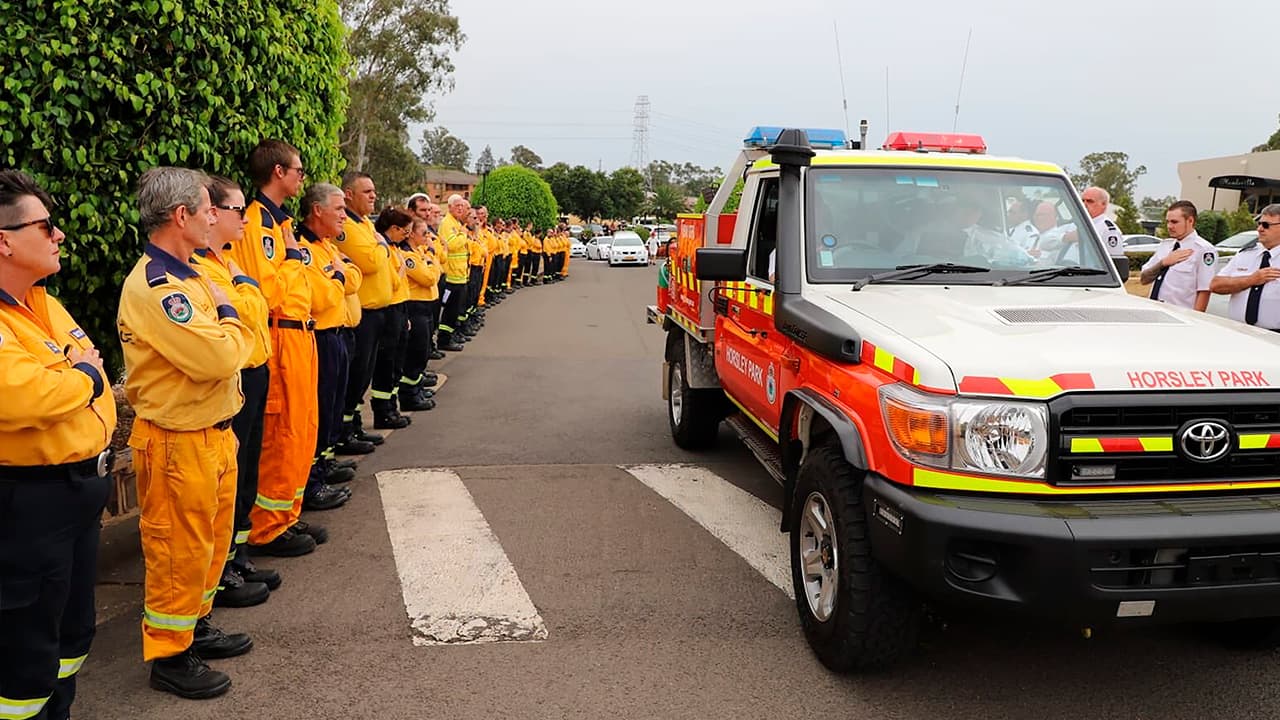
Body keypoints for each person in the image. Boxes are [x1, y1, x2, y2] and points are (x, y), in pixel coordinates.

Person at [118, 166, 255, 698]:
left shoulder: (191, 273)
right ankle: (169, 659)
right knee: (178, 552)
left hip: (211, 433)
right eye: (207, 209)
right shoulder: (157, 287)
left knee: (208, 547)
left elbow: (233, 332)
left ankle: (192, 630)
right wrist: (230, 318)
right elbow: (220, 354)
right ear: (182, 216)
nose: (214, 217)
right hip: (178, 440)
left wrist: (228, 320)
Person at [0, 170, 117, 720]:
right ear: (5, 240)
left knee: (71, 637)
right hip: (29, 504)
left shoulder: (41, 303)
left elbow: (85, 360)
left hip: (76, 497)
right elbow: (28, 396)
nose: (60, 236)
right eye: (45, 226)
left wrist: (81, 376)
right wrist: (86, 379)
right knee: (26, 655)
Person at [231, 141, 323, 558]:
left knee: (302, 428)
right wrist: (290, 258)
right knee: (281, 432)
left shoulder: (279, 222)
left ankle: (287, 512)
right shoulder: (256, 223)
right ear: (278, 172)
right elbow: (266, 290)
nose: (302, 177)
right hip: (281, 334)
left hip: (301, 333)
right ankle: (268, 526)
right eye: (298, 170)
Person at [190, 176, 277, 608]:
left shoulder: (226, 263)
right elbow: (245, 308)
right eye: (235, 210)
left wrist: (245, 290)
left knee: (248, 468)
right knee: (233, 473)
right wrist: (246, 290)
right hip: (236, 374)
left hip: (255, 367)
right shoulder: (202, 268)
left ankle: (237, 553)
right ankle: (222, 567)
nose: (243, 218)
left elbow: (254, 306)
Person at [297, 183, 358, 513]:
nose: (343, 216)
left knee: (332, 407)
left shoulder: (326, 246)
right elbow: (320, 298)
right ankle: (311, 481)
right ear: (317, 210)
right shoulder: (304, 248)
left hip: (337, 334)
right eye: (338, 209)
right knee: (318, 412)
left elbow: (355, 279)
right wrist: (338, 278)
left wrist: (339, 276)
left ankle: (323, 465)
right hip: (319, 336)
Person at [337, 172, 395, 447]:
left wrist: (379, 244)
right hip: (363, 314)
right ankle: (344, 432)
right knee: (355, 375)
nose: (374, 196)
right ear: (349, 194)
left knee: (364, 376)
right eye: (367, 191)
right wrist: (382, 245)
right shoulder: (347, 226)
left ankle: (354, 425)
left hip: (378, 311)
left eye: (374, 191)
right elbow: (371, 261)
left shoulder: (365, 225)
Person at [370, 207, 417, 425]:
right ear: (394, 228)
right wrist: (400, 273)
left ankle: (391, 406)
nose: (406, 235)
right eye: (405, 231)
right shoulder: (386, 249)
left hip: (400, 307)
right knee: (386, 363)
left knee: (397, 362)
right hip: (390, 309)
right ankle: (382, 410)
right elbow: (394, 281)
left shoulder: (394, 248)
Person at [1210, 204, 1280, 327]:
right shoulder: (1246, 255)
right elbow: (1216, 285)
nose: (1260, 229)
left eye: (1266, 225)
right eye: (1259, 224)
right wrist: (1250, 280)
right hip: (1238, 330)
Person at [398, 216, 442, 409]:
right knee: (415, 353)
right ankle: (409, 396)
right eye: (424, 233)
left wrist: (431, 262)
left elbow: (436, 272)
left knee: (423, 352)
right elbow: (428, 278)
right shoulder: (409, 256)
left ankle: (416, 390)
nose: (427, 237)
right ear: (411, 234)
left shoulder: (420, 252)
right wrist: (432, 262)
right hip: (415, 307)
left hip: (426, 305)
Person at [1140, 200, 1216, 311]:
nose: (1169, 226)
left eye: (1174, 222)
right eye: (1168, 222)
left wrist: (1195, 321)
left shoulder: (1204, 250)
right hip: (1155, 311)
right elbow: (1144, 279)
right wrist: (1163, 263)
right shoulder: (1165, 246)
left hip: (1180, 315)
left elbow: (1204, 291)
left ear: (1190, 221)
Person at [436, 194, 471, 351]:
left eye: (462, 206)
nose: (460, 208)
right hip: (451, 276)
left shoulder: (456, 223)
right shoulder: (447, 223)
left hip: (460, 275)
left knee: (455, 310)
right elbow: (452, 244)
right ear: (449, 207)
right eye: (457, 205)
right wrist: (463, 234)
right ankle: (444, 340)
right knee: (449, 310)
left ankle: (450, 337)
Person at [1081, 186, 1125, 259]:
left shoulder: (1108, 230)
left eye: (1090, 201)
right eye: (1082, 201)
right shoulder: (1078, 225)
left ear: (1103, 204)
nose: (1084, 204)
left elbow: (1114, 260)